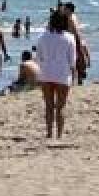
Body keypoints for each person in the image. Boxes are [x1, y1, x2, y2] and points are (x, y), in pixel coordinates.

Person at [35, 10, 77, 138]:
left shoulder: (42, 36)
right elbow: (72, 60)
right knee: (61, 106)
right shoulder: (69, 38)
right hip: (63, 74)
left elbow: (39, 57)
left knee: (48, 106)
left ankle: (49, 133)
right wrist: (74, 75)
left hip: (46, 73)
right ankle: (59, 134)